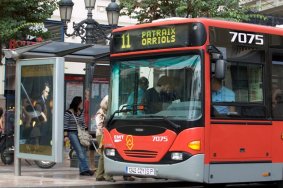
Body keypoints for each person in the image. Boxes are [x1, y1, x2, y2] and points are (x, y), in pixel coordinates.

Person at [95, 95, 135, 182]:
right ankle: (107, 176)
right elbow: (100, 126)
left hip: (106, 134)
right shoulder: (101, 112)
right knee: (106, 155)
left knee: (103, 155)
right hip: (102, 135)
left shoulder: (107, 112)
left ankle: (99, 175)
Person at [64, 96, 94, 176]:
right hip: (72, 134)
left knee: (83, 151)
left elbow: (83, 123)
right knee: (80, 152)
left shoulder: (81, 112)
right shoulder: (68, 112)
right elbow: (65, 125)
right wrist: (65, 136)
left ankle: (82, 170)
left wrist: (87, 132)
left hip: (80, 134)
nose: (81, 104)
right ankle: (86, 169)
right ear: (77, 103)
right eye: (80, 103)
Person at [84, 88, 96, 170]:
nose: (89, 96)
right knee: (89, 146)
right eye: (88, 94)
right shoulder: (86, 103)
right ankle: (90, 165)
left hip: (91, 125)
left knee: (92, 147)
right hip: (87, 126)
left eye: (90, 94)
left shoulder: (92, 102)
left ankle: (92, 165)